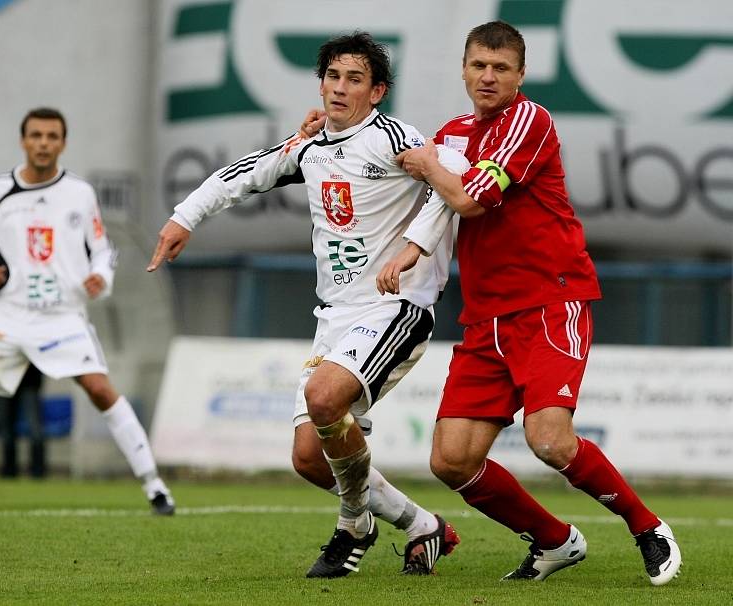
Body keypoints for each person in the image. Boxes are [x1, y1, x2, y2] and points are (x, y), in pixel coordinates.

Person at [147, 32, 467, 578]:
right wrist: (184, 218)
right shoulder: (311, 147)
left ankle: (352, 526)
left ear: (377, 92)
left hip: (396, 308)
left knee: (323, 399)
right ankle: (420, 525)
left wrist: (413, 250)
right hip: (336, 317)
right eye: (333, 77)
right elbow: (244, 174)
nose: (340, 89)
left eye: (355, 79)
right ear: (321, 83)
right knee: (308, 459)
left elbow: (451, 180)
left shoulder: (394, 139)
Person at [374, 21, 681, 586]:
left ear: (520, 75)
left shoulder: (529, 120)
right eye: (478, 66)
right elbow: (407, 178)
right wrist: (324, 131)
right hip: (485, 317)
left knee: (549, 440)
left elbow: (468, 201)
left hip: (548, 301)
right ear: (464, 69)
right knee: (451, 460)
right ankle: (554, 540)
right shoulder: (454, 133)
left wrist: (431, 167)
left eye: (500, 68)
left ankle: (646, 526)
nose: (488, 77)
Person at [0, 107, 175, 515]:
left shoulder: (79, 193)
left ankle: (155, 487)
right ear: (23, 140)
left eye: (51, 136)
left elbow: (101, 250)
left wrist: (100, 275)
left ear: (62, 143)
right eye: (36, 136)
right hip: (6, 312)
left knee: (100, 390)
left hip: (62, 315)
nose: (43, 143)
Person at [0, 364, 46, 478]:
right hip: (3, 382)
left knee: (35, 428)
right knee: (6, 429)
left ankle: (38, 472)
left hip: (30, 381)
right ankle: (9, 471)